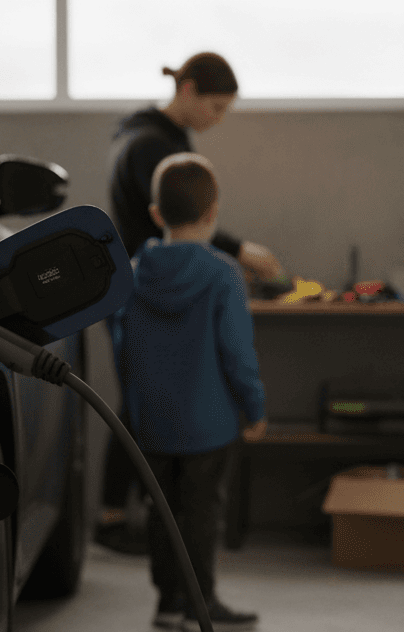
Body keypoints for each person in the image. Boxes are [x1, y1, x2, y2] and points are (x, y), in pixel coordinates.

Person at [98, 52, 286, 553]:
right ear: (188, 90)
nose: (218, 119)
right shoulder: (148, 146)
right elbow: (187, 220)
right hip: (156, 291)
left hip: (141, 286)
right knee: (149, 411)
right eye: (217, 107)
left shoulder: (149, 137)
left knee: (143, 402)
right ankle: (123, 519)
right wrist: (239, 250)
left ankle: (144, 529)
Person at [110, 152, 268, 632]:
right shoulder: (223, 275)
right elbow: (237, 352)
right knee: (203, 514)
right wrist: (255, 407)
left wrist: (134, 408)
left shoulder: (132, 274)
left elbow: (123, 348)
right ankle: (203, 605)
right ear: (212, 213)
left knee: (163, 513)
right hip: (210, 423)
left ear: (157, 214)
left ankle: (169, 602)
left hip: (152, 422)